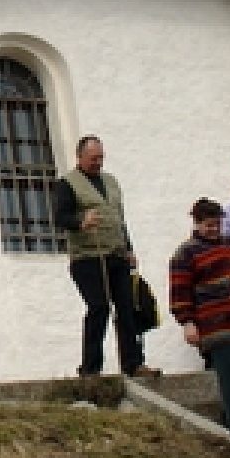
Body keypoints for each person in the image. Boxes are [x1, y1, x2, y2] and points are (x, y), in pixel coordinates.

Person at [52, 135, 160, 379]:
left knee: (127, 308)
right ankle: (90, 368)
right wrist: (81, 221)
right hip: (87, 258)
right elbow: (60, 217)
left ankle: (133, 363)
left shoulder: (111, 182)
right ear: (80, 157)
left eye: (101, 157)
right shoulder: (67, 184)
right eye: (93, 158)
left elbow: (119, 219)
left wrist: (129, 248)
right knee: (99, 307)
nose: (98, 162)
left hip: (117, 254)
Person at [169, 198, 230, 438]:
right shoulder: (185, 253)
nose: (214, 229)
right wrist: (188, 322)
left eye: (217, 224)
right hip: (214, 327)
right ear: (197, 223)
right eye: (209, 225)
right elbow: (180, 292)